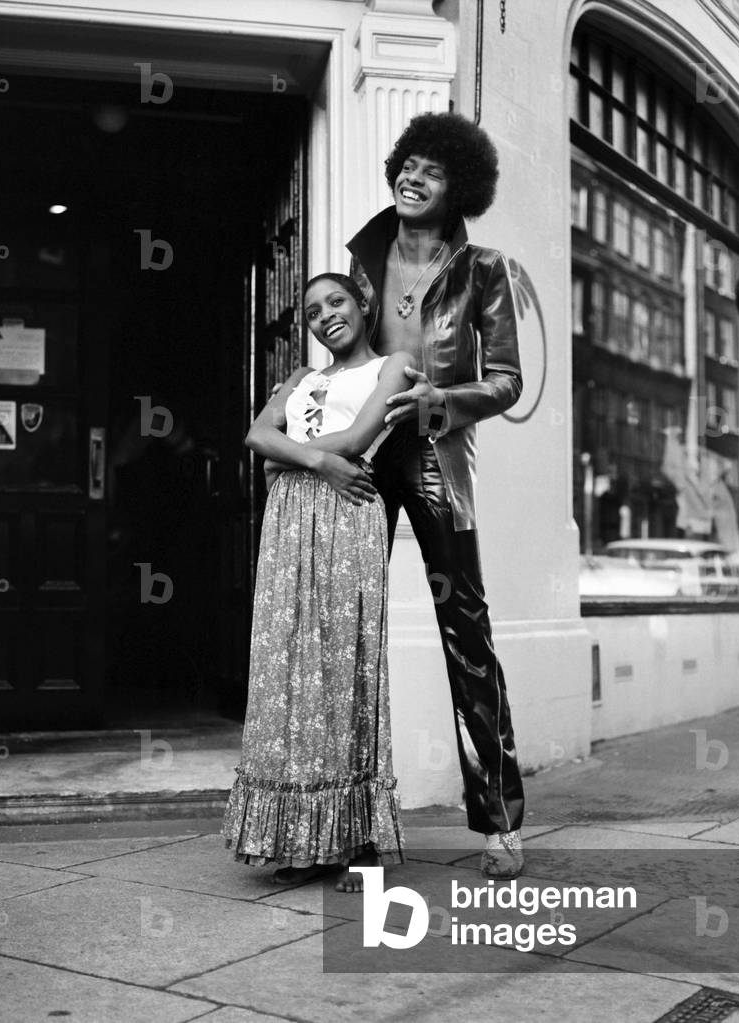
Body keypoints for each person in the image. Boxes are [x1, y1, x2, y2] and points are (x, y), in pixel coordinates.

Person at [346, 111, 527, 878]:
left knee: (466, 632)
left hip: (436, 456)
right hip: (364, 452)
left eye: (433, 170)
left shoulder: (484, 268)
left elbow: (509, 381)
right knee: (349, 628)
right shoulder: (362, 258)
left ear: (461, 188)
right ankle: (344, 822)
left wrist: (441, 403)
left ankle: (498, 823)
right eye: (407, 164)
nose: (413, 178)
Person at [222, 272, 414, 892]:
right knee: (288, 672)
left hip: (349, 514)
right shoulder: (299, 379)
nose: (324, 315)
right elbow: (256, 436)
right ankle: (304, 839)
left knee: (345, 667)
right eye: (310, 310)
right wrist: (320, 460)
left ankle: (360, 841)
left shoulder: (394, 365)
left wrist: (297, 456)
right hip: (287, 525)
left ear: (363, 304)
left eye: (335, 302)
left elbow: (361, 439)